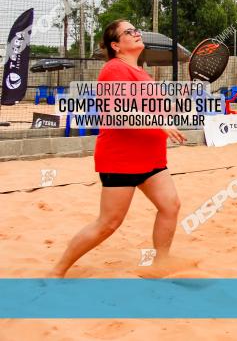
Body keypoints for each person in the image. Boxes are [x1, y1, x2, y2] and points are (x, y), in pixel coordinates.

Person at [48, 20, 187, 277]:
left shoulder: (142, 74)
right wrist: (158, 122)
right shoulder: (113, 70)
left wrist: (175, 106)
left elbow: (156, 112)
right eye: (129, 32)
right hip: (122, 159)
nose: (136, 34)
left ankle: (161, 263)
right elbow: (116, 113)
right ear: (116, 45)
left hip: (151, 159)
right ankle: (57, 271)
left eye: (137, 30)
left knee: (171, 205)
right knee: (108, 223)